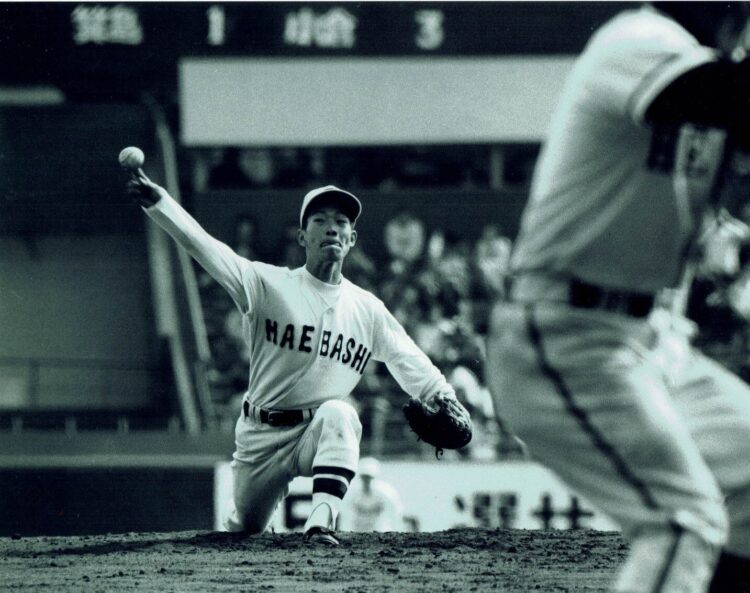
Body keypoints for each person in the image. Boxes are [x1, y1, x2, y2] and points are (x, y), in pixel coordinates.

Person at [485, 4, 750, 593]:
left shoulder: (714, 70)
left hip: (654, 340)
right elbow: (718, 95)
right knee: (683, 524)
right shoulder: (637, 38)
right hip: (563, 334)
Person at [126, 175, 464, 546]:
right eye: (320, 220)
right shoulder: (267, 283)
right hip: (260, 434)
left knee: (341, 414)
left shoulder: (367, 309)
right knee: (244, 529)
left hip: (315, 432)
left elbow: (407, 357)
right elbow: (206, 248)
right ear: (302, 237)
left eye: (341, 222)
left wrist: (444, 397)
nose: (332, 228)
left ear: (352, 239)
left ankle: (320, 523)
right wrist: (160, 204)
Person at [337, 457, 404, 532]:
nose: (367, 480)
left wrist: (396, 533)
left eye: (370, 477)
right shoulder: (351, 493)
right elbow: (343, 515)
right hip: (356, 532)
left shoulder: (386, 493)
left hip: (380, 533)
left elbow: (395, 514)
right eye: (364, 477)